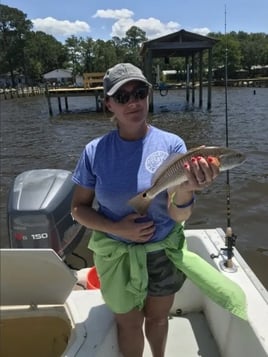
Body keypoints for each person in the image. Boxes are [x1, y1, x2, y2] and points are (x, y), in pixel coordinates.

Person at [71, 63, 220, 357]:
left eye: (139, 92)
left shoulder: (172, 145)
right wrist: (118, 228)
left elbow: (179, 216)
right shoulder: (94, 151)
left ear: (149, 95)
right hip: (117, 256)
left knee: (158, 318)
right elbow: (78, 209)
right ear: (108, 104)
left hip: (162, 253)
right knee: (128, 324)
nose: (134, 102)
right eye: (122, 96)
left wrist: (189, 188)